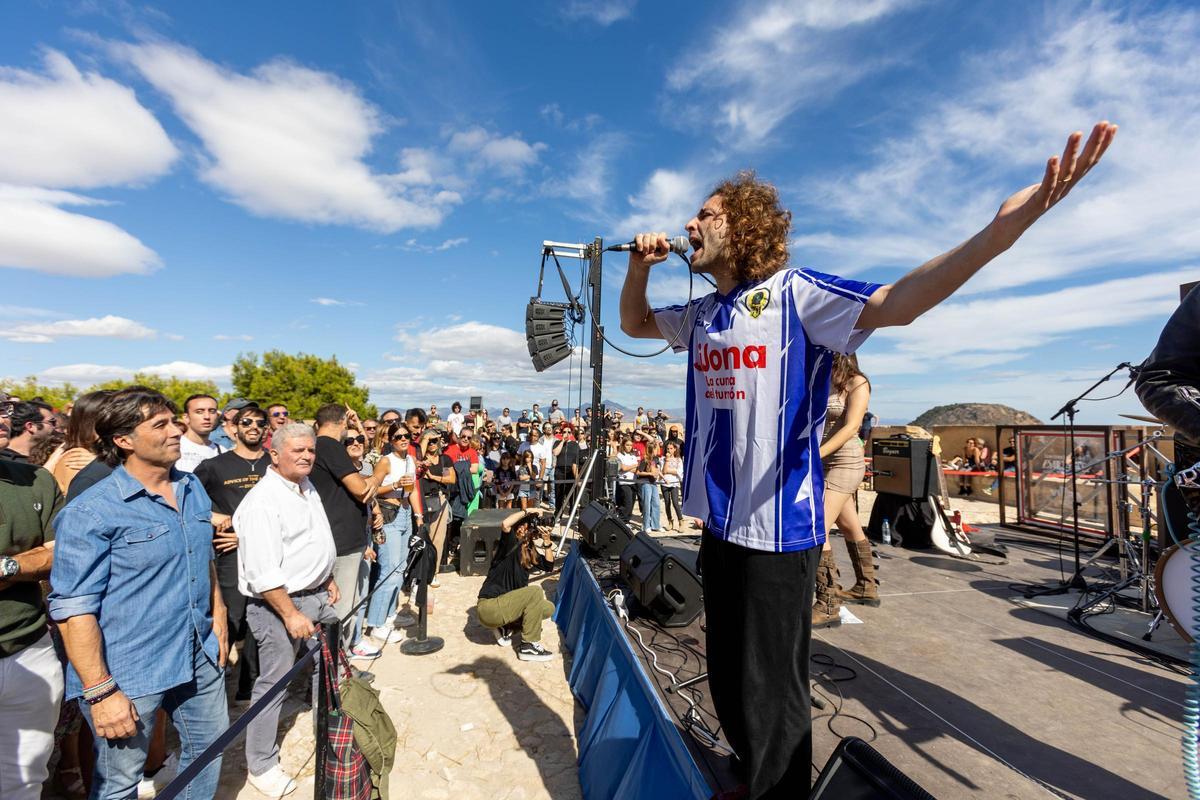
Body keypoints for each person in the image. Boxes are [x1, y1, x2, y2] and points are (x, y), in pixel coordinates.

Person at [617, 121, 1116, 797]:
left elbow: (898, 303)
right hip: (719, 522)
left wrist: (1000, 232)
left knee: (772, 684)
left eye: (706, 213)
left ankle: (780, 790)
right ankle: (745, 770)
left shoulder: (797, 296)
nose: (689, 222)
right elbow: (636, 325)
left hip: (778, 530)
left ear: (747, 229)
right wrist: (637, 268)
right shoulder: (705, 314)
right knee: (730, 669)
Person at [49, 387, 229, 800]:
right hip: (129, 670)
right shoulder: (91, 510)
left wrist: (217, 615)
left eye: (174, 422)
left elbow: (199, 557)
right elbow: (73, 610)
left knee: (209, 749)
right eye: (161, 424)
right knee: (118, 784)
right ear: (124, 440)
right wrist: (101, 692)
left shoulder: (191, 488)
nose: (175, 431)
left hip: (198, 651)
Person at [234, 422, 340, 797]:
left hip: (313, 595)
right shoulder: (263, 501)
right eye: (298, 450)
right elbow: (263, 572)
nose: (307, 456)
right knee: (273, 684)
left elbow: (310, 539)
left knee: (328, 662)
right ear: (274, 454)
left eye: (310, 450)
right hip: (279, 604)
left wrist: (325, 577)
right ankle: (261, 765)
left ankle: (329, 726)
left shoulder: (304, 486)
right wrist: (291, 614)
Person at [193, 405, 272, 703]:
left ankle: (249, 686)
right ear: (233, 428)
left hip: (266, 554)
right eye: (246, 422)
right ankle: (213, 684)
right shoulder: (215, 466)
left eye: (259, 422)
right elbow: (185, 500)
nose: (253, 426)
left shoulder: (274, 464)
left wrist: (247, 535)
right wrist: (212, 515)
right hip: (229, 557)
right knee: (232, 618)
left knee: (261, 618)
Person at [0, 455, 63, 799]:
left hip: (31, 647)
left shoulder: (35, 478)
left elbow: (60, 554)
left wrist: (8, 566)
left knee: (24, 781)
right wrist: (29, 561)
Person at [310, 404, 380, 658]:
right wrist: (381, 471)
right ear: (341, 423)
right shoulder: (329, 446)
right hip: (341, 542)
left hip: (340, 539)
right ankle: (334, 676)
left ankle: (337, 668)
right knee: (341, 610)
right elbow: (362, 490)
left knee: (345, 606)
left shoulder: (321, 447)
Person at [813, 353, 875, 628]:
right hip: (824, 461)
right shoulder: (820, 382)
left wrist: (816, 454)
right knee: (851, 527)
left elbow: (852, 426)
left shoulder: (857, 383)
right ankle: (866, 586)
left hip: (845, 463)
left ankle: (828, 604)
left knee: (817, 527)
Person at [364, 422, 421, 645]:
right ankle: (377, 623)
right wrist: (395, 483)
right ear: (390, 440)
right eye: (397, 437)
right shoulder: (385, 461)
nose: (403, 439)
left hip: (405, 513)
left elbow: (412, 488)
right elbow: (373, 487)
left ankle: (388, 615)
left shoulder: (410, 460)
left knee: (400, 568)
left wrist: (418, 515)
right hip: (389, 514)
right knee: (389, 570)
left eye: (406, 435)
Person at [474, 508, 556, 661]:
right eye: (527, 524)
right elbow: (505, 524)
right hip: (489, 607)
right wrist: (530, 510)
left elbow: (549, 566)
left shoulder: (529, 550)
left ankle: (504, 626)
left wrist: (546, 540)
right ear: (520, 526)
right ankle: (528, 645)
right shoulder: (510, 543)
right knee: (534, 592)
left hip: (505, 606)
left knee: (547, 608)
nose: (528, 528)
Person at [176, 394, 226, 472]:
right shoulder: (173, 447)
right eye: (199, 412)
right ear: (186, 418)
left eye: (212, 411)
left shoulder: (223, 452)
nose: (207, 416)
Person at [635, 441, 663, 533]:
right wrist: (649, 473)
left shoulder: (656, 459)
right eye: (656, 449)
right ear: (652, 449)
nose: (657, 450)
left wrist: (663, 478)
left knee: (656, 504)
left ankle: (656, 525)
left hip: (653, 483)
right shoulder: (645, 460)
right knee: (647, 504)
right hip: (645, 483)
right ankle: (646, 525)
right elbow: (638, 472)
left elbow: (657, 470)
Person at [661, 440, 685, 531]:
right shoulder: (663, 459)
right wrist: (667, 461)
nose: (669, 450)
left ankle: (681, 521)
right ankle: (670, 521)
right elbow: (663, 471)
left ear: (675, 449)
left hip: (674, 484)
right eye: (667, 449)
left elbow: (679, 472)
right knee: (667, 503)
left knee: (675, 503)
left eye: (671, 448)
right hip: (664, 483)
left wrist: (669, 470)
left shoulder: (678, 460)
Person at [614, 437, 639, 522]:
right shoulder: (620, 455)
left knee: (631, 503)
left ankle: (627, 520)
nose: (629, 447)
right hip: (624, 482)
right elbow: (623, 468)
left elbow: (637, 469)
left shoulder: (633, 455)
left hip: (633, 481)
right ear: (623, 445)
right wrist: (634, 466)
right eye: (627, 445)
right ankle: (622, 520)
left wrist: (631, 467)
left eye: (631, 445)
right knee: (627, 502)